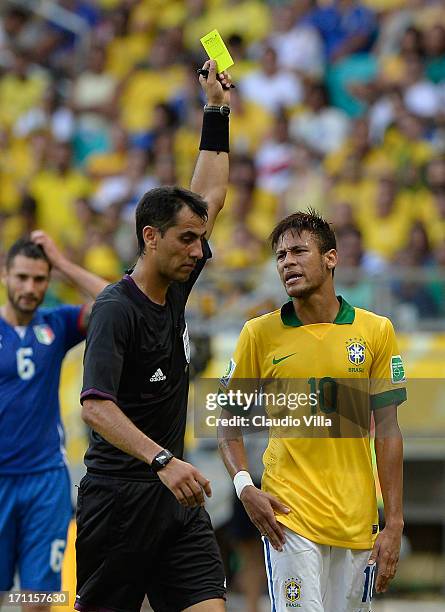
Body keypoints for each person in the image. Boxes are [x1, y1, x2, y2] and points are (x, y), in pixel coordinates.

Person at [75, 60, 231, 612]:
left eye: (200, 240)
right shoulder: (116, 309)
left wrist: (216, 110)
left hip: (177, 501)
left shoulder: (178, 286)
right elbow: (96, 407)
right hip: (119, 503)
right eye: (187, 240)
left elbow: (210, 196)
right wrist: (162, 460)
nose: (198, 250)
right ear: (150, 237)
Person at [218, 210, 406, 611]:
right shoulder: (259, 333)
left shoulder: (375, 331)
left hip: (356, 521)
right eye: (281, 256)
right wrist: (244, 486)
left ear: (330, 258)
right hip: (289, 518)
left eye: (299, 251)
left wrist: (394, 523)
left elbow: (389, 430)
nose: (288, 262)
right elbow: (226, 420)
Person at [0, 232, 108, 610]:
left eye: (39, 279)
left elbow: (114, 302)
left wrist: (62, 264)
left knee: (39, 599)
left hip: (45, 482)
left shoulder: (56, 324)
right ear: (5, 275)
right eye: (22, 277)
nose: (30, 288)